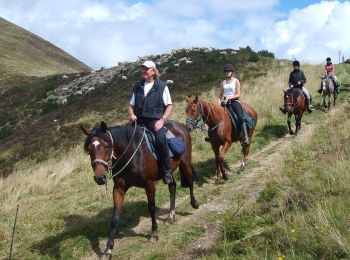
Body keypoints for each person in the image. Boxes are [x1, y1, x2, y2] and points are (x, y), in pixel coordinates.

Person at [128, 60, 174, 184]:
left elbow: (169, 106)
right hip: (139, 121)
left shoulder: (162, 86)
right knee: (125, 139)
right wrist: (132, 115)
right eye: (142, 69)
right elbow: (131, 105)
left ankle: (166, 171)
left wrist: (162, 120)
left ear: (153, 71)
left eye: (146, 69)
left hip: (154, 121)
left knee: (160, 140)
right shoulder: (137, 87)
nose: (143, 71)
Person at [218, 64, 249, 145]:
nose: (227, 72)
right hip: (225, 103)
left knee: (240, 117)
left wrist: (229, 98)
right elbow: (220, 96)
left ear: (232, 72)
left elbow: (238, 94)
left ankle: (245, 137)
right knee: (216, 117)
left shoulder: (236, 81)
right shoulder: (223, 82)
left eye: (229, 71)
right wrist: (218, 103)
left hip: (235, 102)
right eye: (226, 71)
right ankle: (214, 136)